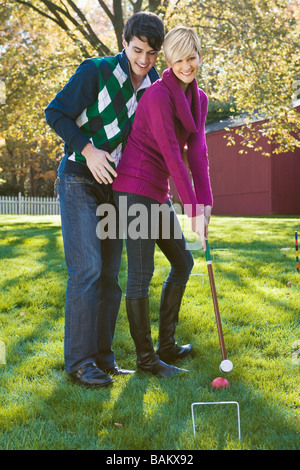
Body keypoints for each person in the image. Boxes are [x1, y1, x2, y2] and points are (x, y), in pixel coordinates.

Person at [45, 12, 165, 387]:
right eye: (136, 50)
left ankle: (103, 358)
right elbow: (55, 113)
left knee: (111, 276)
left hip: (118, 187)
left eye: (151, 53)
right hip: (79, 178)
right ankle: (80, 363)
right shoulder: (95, 71)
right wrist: (89, 150)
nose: (143, 60)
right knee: (87, 270)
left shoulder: (155, 84)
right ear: (124, 44)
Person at [113, 26, 213, 377]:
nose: (186, 66)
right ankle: (146, 361)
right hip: (134, 187)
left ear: (199, 56)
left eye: (192, 58)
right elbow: (173, 154)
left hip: (157, 191)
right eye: (178, 60)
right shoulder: (157, 96)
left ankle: (167, 345)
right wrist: (190, 210)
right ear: (168, 61)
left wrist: (205, 204)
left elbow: (197, 152)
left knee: (183, 262)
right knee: (142, 274)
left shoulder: (198, 100)